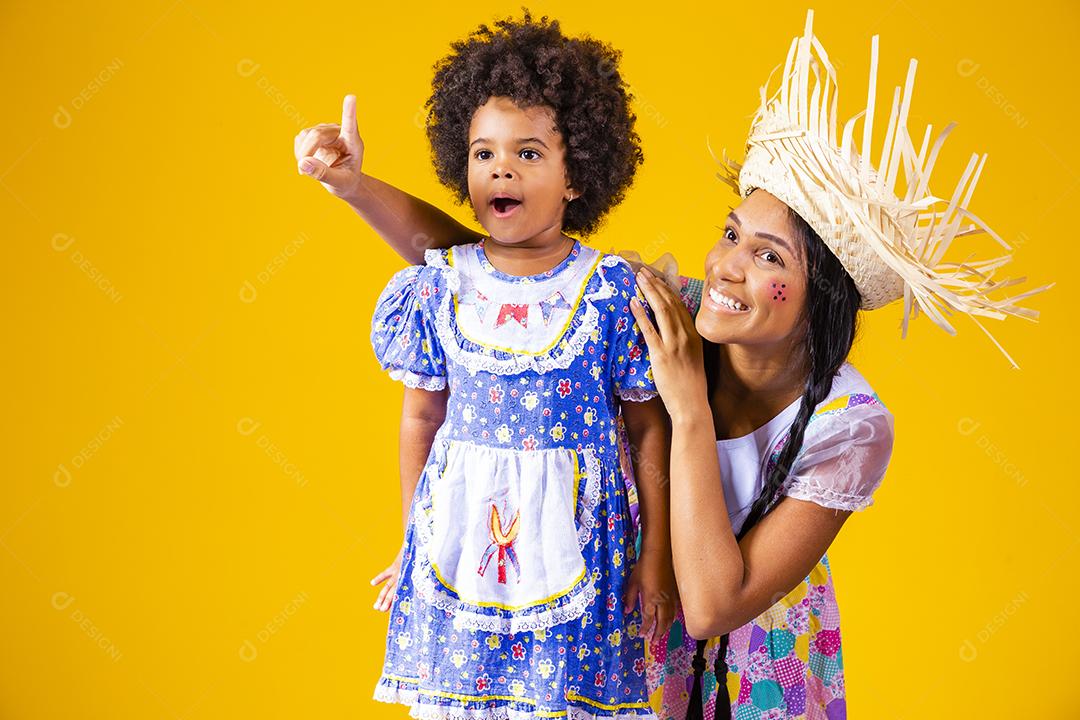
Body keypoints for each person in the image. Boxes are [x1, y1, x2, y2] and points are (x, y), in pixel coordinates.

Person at [296, 10, 1049, 718]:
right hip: (631, 634)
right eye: (731, 233)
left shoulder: (848, 426)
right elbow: (497, 266)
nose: (725, 266)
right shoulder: (675, 310)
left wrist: (687, 407)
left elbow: (716, 604)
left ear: (816, 297)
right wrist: (356, 188)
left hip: (760, 671)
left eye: (766, 256)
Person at [303, 12, 678, 718]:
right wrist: (415, 538)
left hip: (580, 547)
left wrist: (653, 559)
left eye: (529, 153)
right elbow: (421, 415)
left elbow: (649, 432)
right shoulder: (439, 285)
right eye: (483, 153)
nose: (501, 168)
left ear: (578, 176)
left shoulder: (611, 292)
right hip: (463, 545)